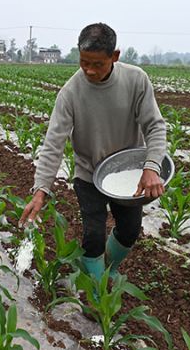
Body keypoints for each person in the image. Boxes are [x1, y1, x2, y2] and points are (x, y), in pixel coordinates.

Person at [18, 23, 167, 280]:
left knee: (130, 230)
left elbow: (155, 125)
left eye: (97, 64)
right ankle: (96, 293)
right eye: (84, 62)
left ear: (115, 56)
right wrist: (41, 190)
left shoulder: (136, 80)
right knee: (93, 235)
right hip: (89, 174)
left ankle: (108, 268)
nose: (89, 70)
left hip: (127, 172)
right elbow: (53, 143)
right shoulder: (70, 93)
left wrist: (152, 166)